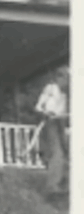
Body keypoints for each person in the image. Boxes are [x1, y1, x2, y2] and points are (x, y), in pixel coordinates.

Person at [35, 66, 69, 197]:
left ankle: (63, 181)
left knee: (65, 151)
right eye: (65, 78)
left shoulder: (64, 94)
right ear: (59, 78)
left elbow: (62, 112)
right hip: (50, 122)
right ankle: (52, 185)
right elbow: (38, 107)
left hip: (60, 122)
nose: (67, 82)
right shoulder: (50, 89)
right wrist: (46, 112)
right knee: (57, 153)